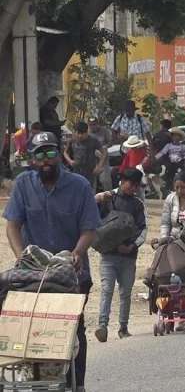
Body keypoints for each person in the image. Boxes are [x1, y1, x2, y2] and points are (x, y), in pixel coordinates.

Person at [4, 131, 101, 391]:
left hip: (72, 272)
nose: (46, 160)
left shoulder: (80, 185)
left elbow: (89, 228)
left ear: (60, 155)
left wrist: (78, 253)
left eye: (50, 153)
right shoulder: (24, 184)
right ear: (32, 159)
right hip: (34, 274)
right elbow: (13, 225)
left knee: (73, 328)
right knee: (30, 325)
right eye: (40, 154)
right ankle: (34, 379)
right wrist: (21, 256)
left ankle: (77, 383)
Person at [93, 168, 147, 342]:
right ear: (122, 181)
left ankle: (123, 327)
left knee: (125, 293)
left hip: (128, 258)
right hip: (108, 255)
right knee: (107, 290)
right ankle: (102, 326)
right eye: (131, 184)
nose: (133, 188)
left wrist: (131, 246)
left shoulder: (138, 204)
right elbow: (89, 216)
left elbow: (143, 230)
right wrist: (96, 199)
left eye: (136, 186)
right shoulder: (105, 198)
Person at [64, 121, 107, 188]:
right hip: (77, 170)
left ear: (87, 132)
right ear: (75, 132)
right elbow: (65, 152)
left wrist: (99, 166)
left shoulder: (93, 140)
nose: (80, 136)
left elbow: (104, 153)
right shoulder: (72, 140)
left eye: (83, 133)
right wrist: (70, 161)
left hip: (90, 172)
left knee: (88, 190)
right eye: (78, 133)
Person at [156, 127, 185, 195]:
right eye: (174, 136)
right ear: (172, 137)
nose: (175, 138)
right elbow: (162, 153)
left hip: (179, 164)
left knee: (182, 175)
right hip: (170, 164)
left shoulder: (183, 147)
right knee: (167, 175)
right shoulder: (168, 146)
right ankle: (167, 188)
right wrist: (155, 158)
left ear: (180, 138)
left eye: (177, 136)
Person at [87, 116, 113, 191]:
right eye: (90, 125)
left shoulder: (104, 131)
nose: (92, 126)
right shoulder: (87, 132)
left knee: (105, 180)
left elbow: (110, 142)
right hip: (91, 159)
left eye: (94, 124)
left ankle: (109, 197)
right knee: (91, 182)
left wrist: (105, 146)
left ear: (97, 124)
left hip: (103, 157)